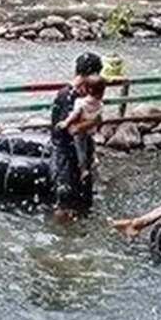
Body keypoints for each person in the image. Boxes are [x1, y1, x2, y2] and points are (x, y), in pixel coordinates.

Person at [51, 52, 104, 221]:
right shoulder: (68, 95)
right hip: (66, 153)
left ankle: (78, 236)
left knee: (84, 199)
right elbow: (72, 130)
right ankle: (63, 240)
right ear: (92, 74)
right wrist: (96, 121)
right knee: (65, 200)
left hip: (82, 152)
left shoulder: (85, 95)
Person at [57, 74, 106, 182]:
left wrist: (66, 122)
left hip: (79, 132)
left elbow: (74, 114)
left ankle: (83, 169)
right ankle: (93, 160)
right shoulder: (100, 105)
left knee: (81, 149)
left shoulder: (80, 102)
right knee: (90, 144)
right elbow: (98, 119)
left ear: (87, 89)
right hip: (91, 130)